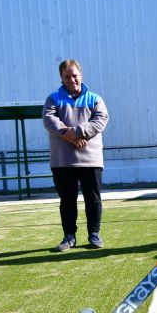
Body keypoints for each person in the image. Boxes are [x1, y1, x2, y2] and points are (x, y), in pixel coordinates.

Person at [43, 59, 109, 251]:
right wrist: (70, 136)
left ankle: (94, 234)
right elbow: (49, 121)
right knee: (67, 200)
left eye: (75, 75)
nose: (72, 79)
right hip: (62, 161)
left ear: (81, 75)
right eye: (67, 76)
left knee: (93, 199)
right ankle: (69, 236)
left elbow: (101, 121)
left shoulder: (95, 98)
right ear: (61, 78)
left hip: (91, 160)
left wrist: (77, 131)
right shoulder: (53, 98)